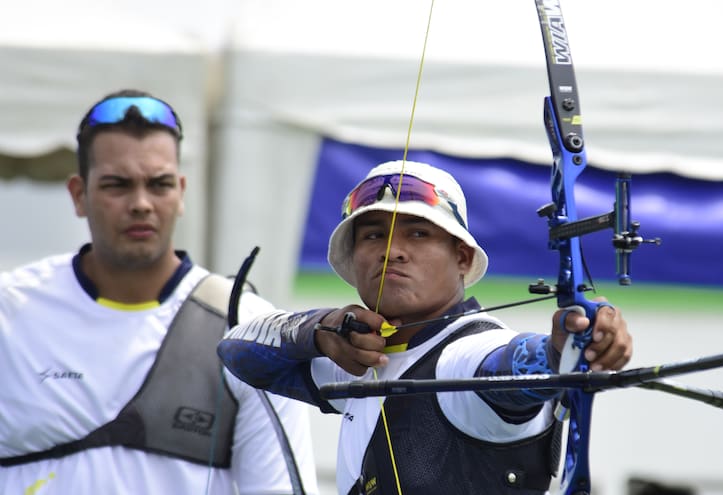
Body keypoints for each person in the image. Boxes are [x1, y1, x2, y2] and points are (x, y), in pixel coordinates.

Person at [217, 160, 632, 494]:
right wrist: (321, 330)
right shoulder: (357, 357)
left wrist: (565, 348)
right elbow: (236, 351)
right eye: (374, 235)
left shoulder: (466, 355)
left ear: (463, 259)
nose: (392, 251)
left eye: (418, 233)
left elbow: (509, 367)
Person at [0, 90, 319, 494]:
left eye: (159, 184)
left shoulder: (245, 326)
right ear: (79, 195)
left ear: (181, 191)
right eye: (117, 185)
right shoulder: (11, 311)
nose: (141, 203)